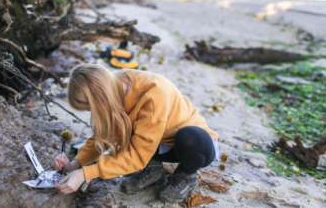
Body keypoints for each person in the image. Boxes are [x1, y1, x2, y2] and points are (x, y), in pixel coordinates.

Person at [53, 64, 219, 202]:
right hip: (155, 142)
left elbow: (137, 157)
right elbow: (102, 136)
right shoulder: (112, 87)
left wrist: (84, 174)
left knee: (189, 138)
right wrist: (75, 164)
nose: (93, 114)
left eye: (91, 109)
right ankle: (154, 170)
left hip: (193, 146)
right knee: (124, 123)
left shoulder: (152, 94)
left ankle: (187, 175)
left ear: (100, 100)